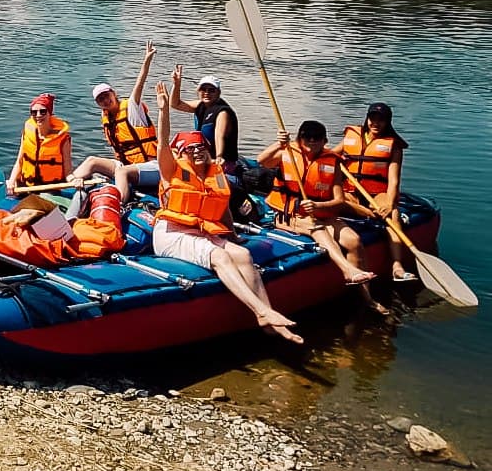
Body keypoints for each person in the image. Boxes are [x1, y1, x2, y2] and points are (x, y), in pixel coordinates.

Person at [152, 82, 303, 344]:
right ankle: (262, 311)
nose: (197, 152)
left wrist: (232, 236)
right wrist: (164, 111)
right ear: (182, 154)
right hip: (171, 234)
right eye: (191, 149)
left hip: (201, 231)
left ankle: (267, 320)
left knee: (242, 254)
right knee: (220, 257)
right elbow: (163, 143)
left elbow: (221, 211)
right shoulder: (172, 170)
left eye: (201, 148)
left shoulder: (215, 174)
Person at [257, 122, 379, 298]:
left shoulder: (333, 161)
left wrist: (318, 206)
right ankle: (347, 270)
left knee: (354, 241)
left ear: (325, 141)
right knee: (317, 229)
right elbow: (262, 161)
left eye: (317, 138)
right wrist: (279, 143)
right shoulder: (287, 152)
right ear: (299, 139)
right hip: (289, 214)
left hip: (321, 212)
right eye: (307, 137)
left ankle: (366, 298)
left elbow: (339, 200)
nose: (311, 141)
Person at [70, 41, 159, 200]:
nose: (105, 100)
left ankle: (119, 205)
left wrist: (147, 61)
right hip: (127, 166)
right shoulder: (107, 119)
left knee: (121, 171)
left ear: (114, 93)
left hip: (151, 166)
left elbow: (139, 84)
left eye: (107, 95)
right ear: (98, 104)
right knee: (92, 161)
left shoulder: (132, 109)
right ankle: (68, 186)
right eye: (100, 99)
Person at [341, 103, 415, 283]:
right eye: (373, 118)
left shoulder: (393, 146)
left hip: (376, 194)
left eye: (381, 120)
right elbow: (329, 155)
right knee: (337, 201)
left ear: (387, 122)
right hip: (351, 192)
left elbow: (394, 180)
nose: (376, 123)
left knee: (394, 213)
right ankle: (369, 214)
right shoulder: (353, 136)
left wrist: (389, 204)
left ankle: (397, 266)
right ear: (367, 119)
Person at [170, 66, 239, 173]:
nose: (207, 93)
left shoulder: (223, 112)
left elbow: (219, 135)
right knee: (173, 152)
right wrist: (176, 84)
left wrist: (219, 156)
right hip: (203, 157)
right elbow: (175, 104)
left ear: (218, 93)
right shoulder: (200, 105)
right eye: (203, 89)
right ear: (198, 91)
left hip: (219, 162)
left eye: (211, 90)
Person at [7, 94, 73, 193]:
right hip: (26, 187)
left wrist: (73, 180)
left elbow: (68, 171)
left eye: (42, 112)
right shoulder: (27, 133)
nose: (38, 115)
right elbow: (19, 162)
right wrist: (11, 181)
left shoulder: (63, 138)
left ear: (50, 113)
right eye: (34, 112)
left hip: (50, 190)